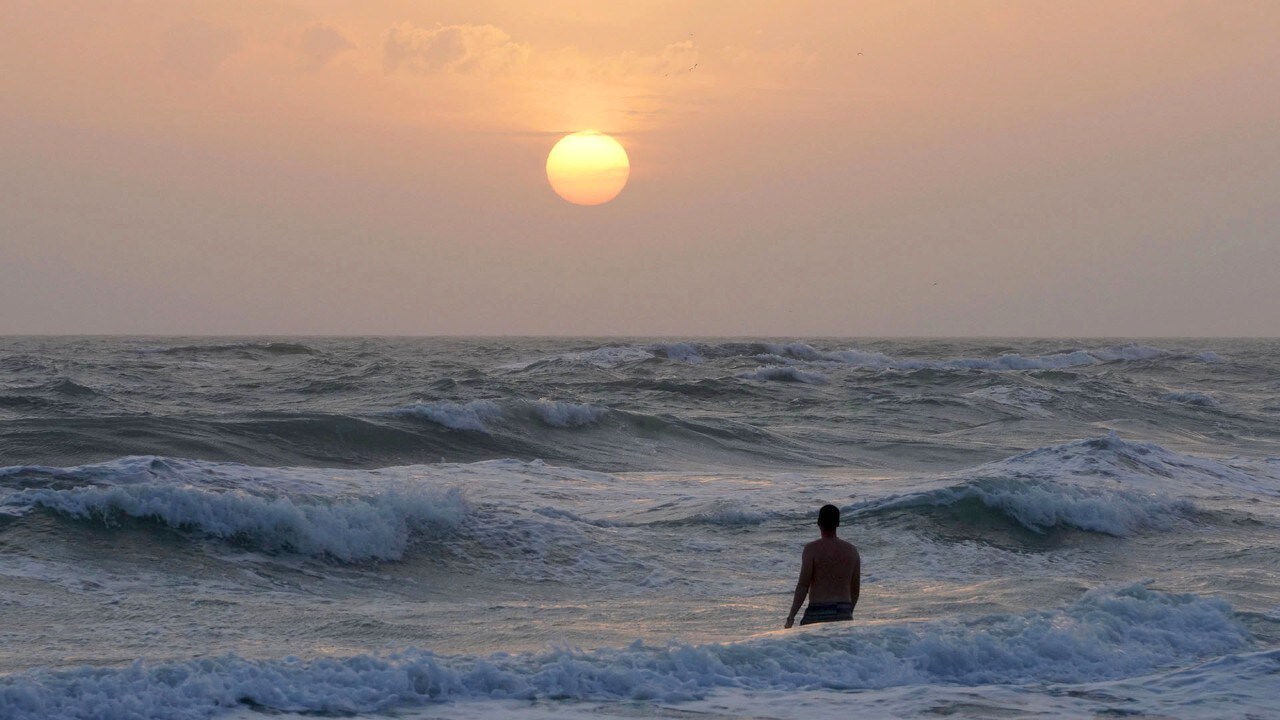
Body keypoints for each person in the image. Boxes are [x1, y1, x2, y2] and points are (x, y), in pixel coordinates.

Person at [785, 504, 860, 628]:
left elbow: (803, 586)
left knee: (811, 646)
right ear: (838, 524)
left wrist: (791, 616)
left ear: (818, 522)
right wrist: (848, 613)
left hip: (818, 610)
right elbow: (855, 589)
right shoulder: (852, 550)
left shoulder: (811, 549)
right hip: (844, 610)